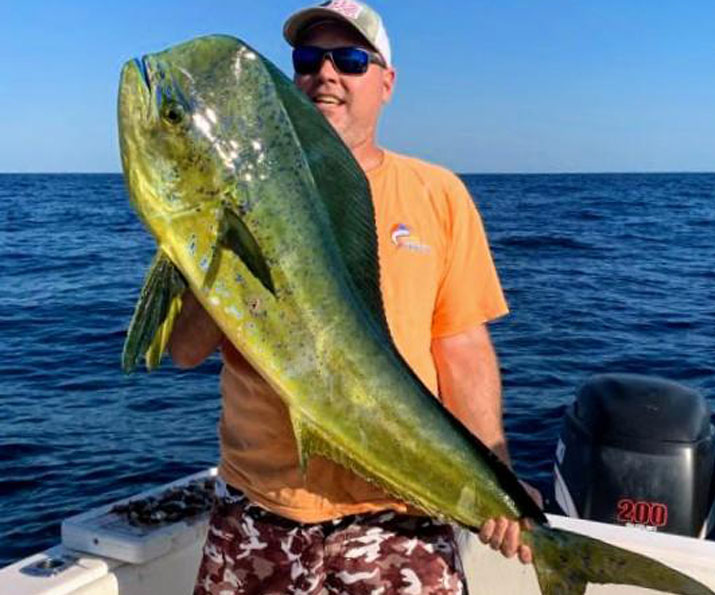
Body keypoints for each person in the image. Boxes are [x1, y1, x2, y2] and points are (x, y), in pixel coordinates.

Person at [179, 2, 541, 593]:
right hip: (259, 513)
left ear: (386, 82)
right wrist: (218, 238)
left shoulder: (438, 193)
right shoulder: (231, 188)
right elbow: (187, 350)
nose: (325, 74)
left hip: (400, 516)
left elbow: (461, 345)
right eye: (307, 59)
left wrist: (496, 471)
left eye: (349, 59)